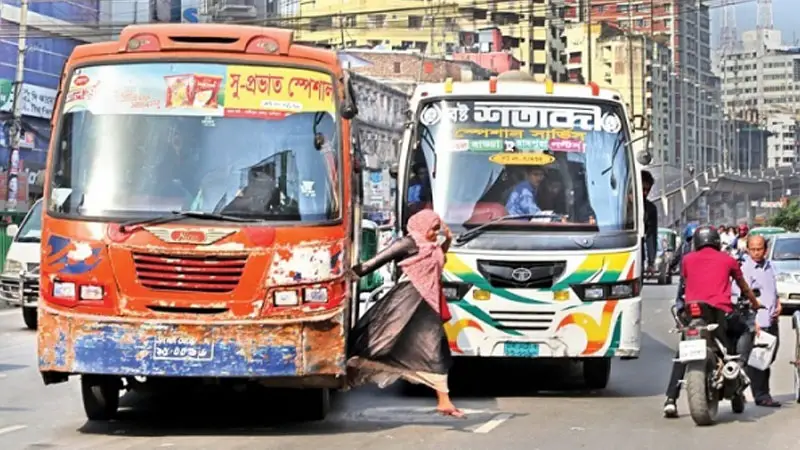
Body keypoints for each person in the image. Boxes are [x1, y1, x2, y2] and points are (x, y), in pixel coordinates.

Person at [346, 209, 464, 418]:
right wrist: (350, 273)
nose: (434, 234)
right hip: (406, 300)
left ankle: (444, 402)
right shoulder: (408, 243)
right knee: (379, 339)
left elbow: (440, 255)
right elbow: (377, 261)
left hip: (427, 305)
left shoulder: (433, 247)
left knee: (435, 352)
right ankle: (346, 375)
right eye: (432, 229)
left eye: (437, 229)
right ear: (421, 226)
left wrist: (448, 238)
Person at [682, 226, 761, 376]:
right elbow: (743, 287)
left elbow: (686, 280)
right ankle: (739, 365)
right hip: (720, 312)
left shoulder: (687, 259)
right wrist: (755, 303)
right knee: (745, 328)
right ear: (717, 241)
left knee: (682, 347)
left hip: (692, 313)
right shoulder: (728, 260)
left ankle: (671, 396)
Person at [737, 235, 782, 407]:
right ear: (747, 249)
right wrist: (751, 321)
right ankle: (762, 395)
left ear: (766, 249)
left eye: (760, 249)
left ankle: (743, 387)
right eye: (753, 249)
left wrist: (778, 303)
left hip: (771, 319)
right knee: (758, 360)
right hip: (757, 323)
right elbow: (742, 296)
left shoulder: (769, 266)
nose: (756, 252)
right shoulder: (745, 269)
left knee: (770, 356)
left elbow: (772, 289)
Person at [663, 222, 698, 418]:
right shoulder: (689, 261)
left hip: (692, 314)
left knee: (683, 353)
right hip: (697, 315)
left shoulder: (690, 260)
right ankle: (671, 398)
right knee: (684, 352)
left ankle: (671, 398)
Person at [642, 170, 658, 274]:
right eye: (643, 189)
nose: (645, 193)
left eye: (648, 190)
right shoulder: (619, 204)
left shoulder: (650, 209)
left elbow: (651, 236)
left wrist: (651, 262)